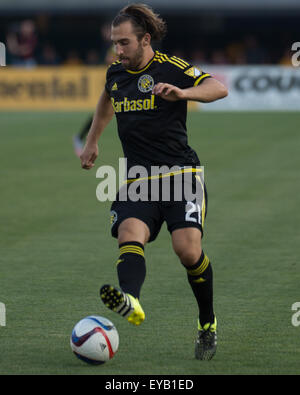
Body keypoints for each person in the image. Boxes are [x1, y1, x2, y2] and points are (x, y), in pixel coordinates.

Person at [79, 3, 227, 360]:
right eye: (115, 43)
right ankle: (131, 299)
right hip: (139, 178)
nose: (118, 50)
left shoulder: (170, 67)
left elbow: (218, 88)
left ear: (145, 40)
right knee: (130, 234)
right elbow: (106, 99)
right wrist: (92, 140)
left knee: (188, 252)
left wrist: (184, 94)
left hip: (181, 175)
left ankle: (207, 323)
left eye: (124, 42)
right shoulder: (116, 73)